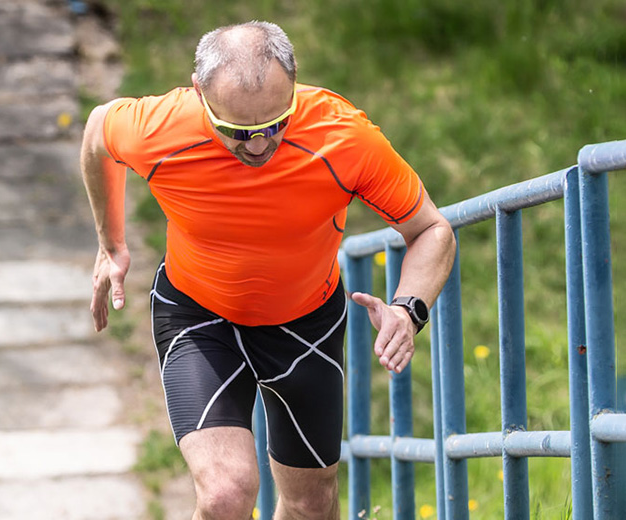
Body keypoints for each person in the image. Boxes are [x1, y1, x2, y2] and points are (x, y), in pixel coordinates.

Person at [80, 21, 455, 520]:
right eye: (236, 131)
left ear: (295, 87)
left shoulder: (343, 138)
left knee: (312, 504)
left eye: (275, 124)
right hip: (199, 317)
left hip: (306, 327)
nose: (258, 145)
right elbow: (96, 132)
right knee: (227, 493)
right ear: (200, 95)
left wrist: (408, 309)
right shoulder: (161, 127)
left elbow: (431, 230)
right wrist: (111, 243)